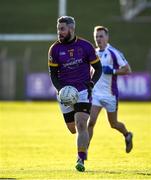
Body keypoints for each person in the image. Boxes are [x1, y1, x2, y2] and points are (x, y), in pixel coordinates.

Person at [48, 16, 102, 172]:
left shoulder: (86, 46)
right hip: (64, 93)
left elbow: (98, 68)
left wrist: (91, 83)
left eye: (62, 29)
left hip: (83, 91)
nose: (59, 32)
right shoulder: (54, 49)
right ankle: (81, 149)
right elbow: (53, 73)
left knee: (81, 125)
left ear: (71, 29)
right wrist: (60, 90)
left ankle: (81, 158)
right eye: (58, 29)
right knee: (72, 129)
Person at [88, 25, 133, 154]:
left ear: (107, 37)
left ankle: (127, 134)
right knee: (90, 123)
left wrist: (112, 71)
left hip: (110, 95)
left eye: (101, 36)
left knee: (113, 124)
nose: (98, 39)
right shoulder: (93, 53)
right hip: (96, 94)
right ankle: (82, 153)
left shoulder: (114, 52)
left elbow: (127, 69)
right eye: (96, 36)